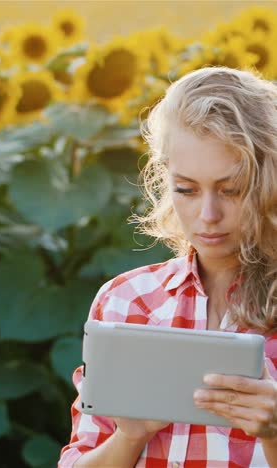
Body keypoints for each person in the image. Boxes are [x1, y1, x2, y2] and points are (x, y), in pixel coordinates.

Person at [58, 66, 277, 467]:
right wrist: (129, 436)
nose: (208, 215)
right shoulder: (129, 303)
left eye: (233, 189)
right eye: (186, 189)